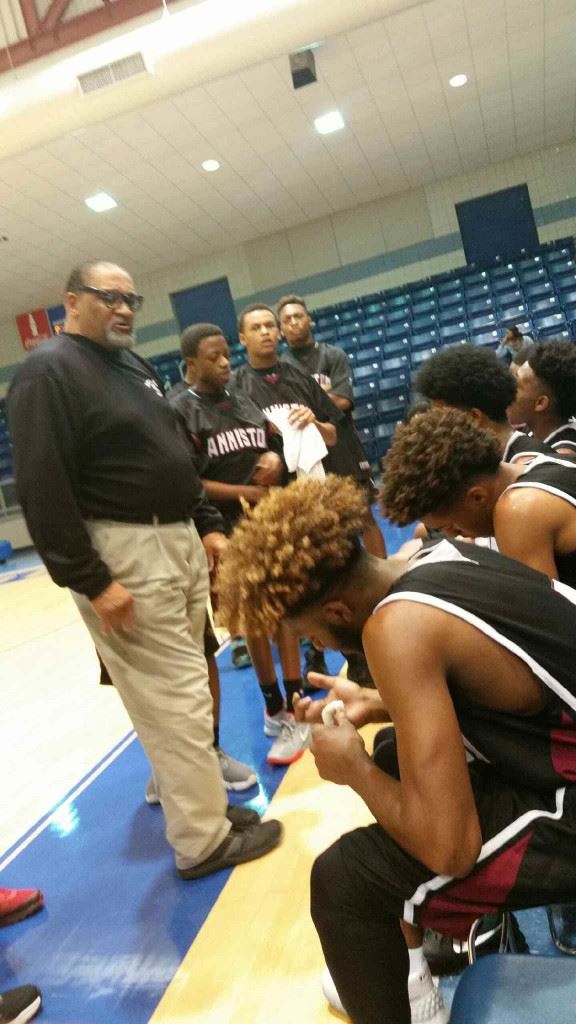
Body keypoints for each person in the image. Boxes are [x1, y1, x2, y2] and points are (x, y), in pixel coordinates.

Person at [215, 474, 576, 1024]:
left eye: (308, 632)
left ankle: (411, 998)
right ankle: (404, 973)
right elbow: (510, 688)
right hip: (555, 749)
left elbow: (450, 848)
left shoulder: (396, 628)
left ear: (337, 611)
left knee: (344, 881)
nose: (314, 645)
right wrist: (378, 702)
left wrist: (351, 767)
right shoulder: (436, 554)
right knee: (394, 753)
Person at [7, 260, 281, 879]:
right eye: (110, 297)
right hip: (124, 551)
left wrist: (207, 523)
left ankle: (202, 807)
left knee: (181, 689)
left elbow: (173, 456)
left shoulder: (133, 366)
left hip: (177, 538)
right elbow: (43, 488)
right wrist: (93, 580)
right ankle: (202, 841)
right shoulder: (47, 372)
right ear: (71, 301)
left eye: (131, 297)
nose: (125, 307)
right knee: (178, 698)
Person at [169, 321, 308, 765]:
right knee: (252, 624)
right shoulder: (179, 410)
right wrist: (247, 493)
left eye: (228, 354)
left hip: (266, 523)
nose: (226, 362)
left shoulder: (242, 398)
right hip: (221, 531)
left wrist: (274, 456)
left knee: (283, 613)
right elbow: (187, 482)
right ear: (191, 364)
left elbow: (275, 444)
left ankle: (296, 704)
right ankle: (275, 708)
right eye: (215, 357)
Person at [277, 294, 386, 684]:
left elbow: (341, 401)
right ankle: (319, 644)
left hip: (339, 444)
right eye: (285, 319)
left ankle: (382, 585)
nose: (292, 323)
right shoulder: (281, 367)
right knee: (317, 542)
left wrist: (312, 410)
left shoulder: (332, 356)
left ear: (310, 321)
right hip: (307, 456)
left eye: (298, 316)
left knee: (363, 517)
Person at [381, 406, 576, 587]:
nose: (452, 534)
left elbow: (548, 619)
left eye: (451, 525)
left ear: (477, 498)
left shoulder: (518, 510)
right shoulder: (543, 462)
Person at [415, 344, 552, 464]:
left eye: (441, 420)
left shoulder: (526, 471)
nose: (437, 430)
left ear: (473, 418)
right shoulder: (494, 459)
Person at [507, 340, 576, 456]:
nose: (506, 389)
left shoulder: (562, 457)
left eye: (516, 384)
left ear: (540, 403)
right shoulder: (535, 428)